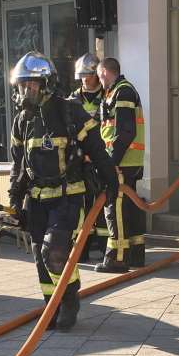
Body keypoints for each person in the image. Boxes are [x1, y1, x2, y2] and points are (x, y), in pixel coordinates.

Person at [8, 52, 118, 331]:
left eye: (30, 85)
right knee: (40, 258)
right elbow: (18, 163)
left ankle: (69, 300)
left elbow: (97, 149)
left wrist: (111, 183)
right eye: (21, 86)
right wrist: (14, 199)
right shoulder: (22, 120)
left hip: (68, 196)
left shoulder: (69, 112)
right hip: (36, 200)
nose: (25, 92)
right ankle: (51, 305)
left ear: (46, 84)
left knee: (54, 251)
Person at [96, 57, 147, 272]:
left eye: (99, 76)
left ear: (106, 72)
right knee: (129, 206)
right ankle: (135, 255)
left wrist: (111, 162)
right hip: (127, 160)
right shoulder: (117, 91)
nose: (99, 81)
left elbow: (126, 131)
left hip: (122, 161)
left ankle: (116, 258)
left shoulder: (122, 92)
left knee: (114, 206)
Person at [67, 53, 107, 264]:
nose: (84, 79)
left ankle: (103, 248)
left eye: (87, 75)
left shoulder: (108, 96)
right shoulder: (73, 98)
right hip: (81, 161)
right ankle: (81, 249)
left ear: (96, 75)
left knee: (101, 204)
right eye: (81, 75)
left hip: (100, 158)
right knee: (80, 206)